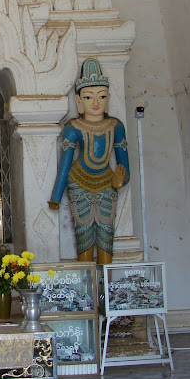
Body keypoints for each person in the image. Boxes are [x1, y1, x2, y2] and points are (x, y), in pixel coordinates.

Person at [49, 58, 130, 264]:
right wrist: (56, 196)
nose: (95, 103)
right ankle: (87, 287)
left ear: (108, 98)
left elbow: (124, 168)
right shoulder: (74, 127)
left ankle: (106, 290)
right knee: (84, 236)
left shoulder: (116, 126)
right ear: (79, 102)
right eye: (88, 97)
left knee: (106, 236)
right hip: (78, 183)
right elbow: (65, 164)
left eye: (101, 96)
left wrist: (120, 181)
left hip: (107, 184)